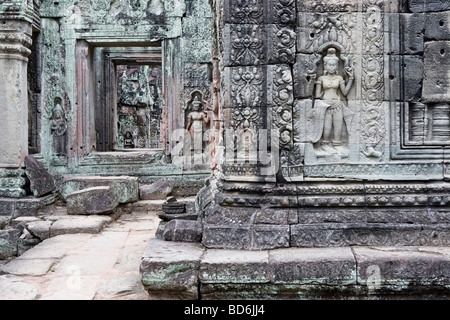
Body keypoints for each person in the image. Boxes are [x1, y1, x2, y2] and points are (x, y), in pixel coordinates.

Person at [309, 48, 354, 157]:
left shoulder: (339, 78)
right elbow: (317, 95)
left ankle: (337, 145)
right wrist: (312, 82)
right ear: (325, 66)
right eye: (329, 65)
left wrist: (351, 78)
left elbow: (345, 92)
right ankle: (324, 145)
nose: (331, 67)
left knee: (338, 127)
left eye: (334, 65)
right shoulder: (321, 78)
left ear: (337, 66)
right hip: (325, 106)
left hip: (337, 105)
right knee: (327, 128)